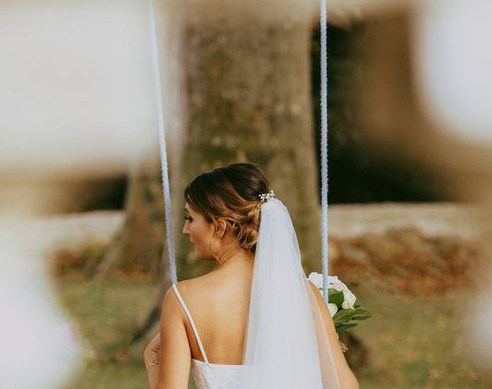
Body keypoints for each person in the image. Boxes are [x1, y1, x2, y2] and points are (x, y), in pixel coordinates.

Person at [144, 162, 359, 389]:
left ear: (220, 227)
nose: (185, 230)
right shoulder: (304, 294)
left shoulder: (184, 298)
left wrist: (151, 360)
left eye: (191, 219)